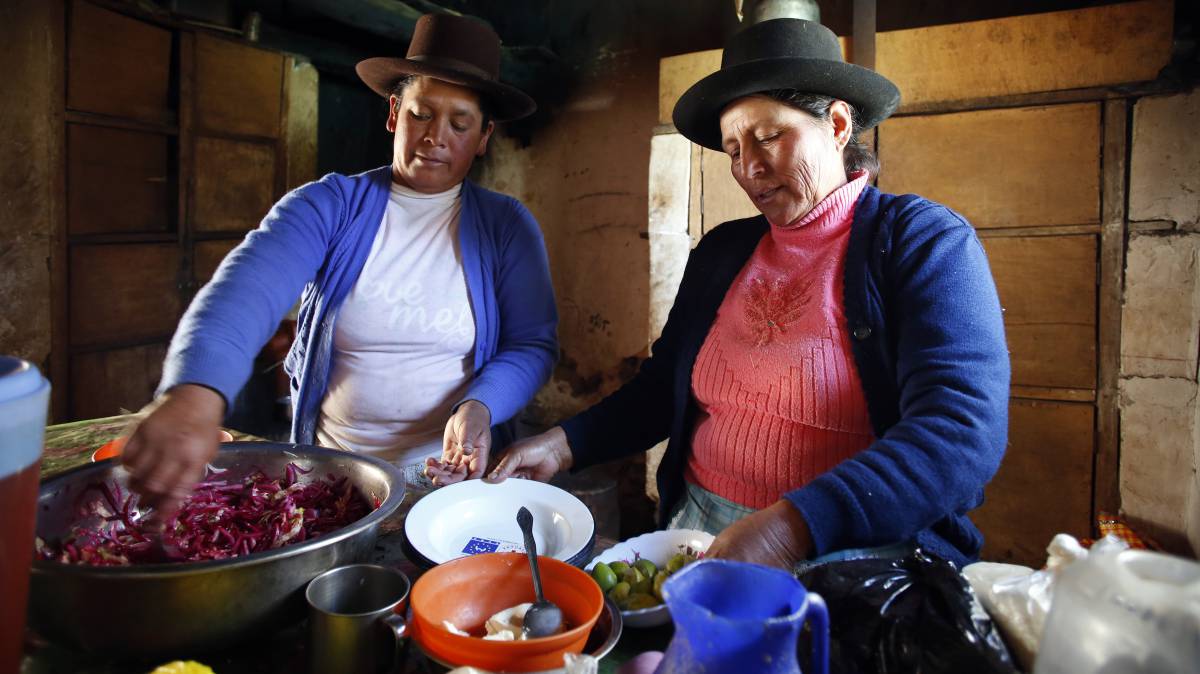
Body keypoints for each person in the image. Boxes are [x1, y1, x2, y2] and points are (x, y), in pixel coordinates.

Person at [479, 18, 1010, 570]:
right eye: (733, 149)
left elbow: (960, 432)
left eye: (770, 136)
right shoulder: (723, 252)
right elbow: (664, 389)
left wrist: (793, 527)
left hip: (854, 551)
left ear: (837, 123)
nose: (749, 168)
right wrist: (561, 444)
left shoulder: (924, 242)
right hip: (698, 531)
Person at [122, 14, 558, 516]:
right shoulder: (330, 206)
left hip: (447, 482)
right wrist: (196, 390)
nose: (436, 136)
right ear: (394, 113)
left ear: (484, 137)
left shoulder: (506, 227)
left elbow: (531, 344)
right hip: (333, 475)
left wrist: (478, 406)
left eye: (460, 123)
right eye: (421, 114)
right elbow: (247, 286)